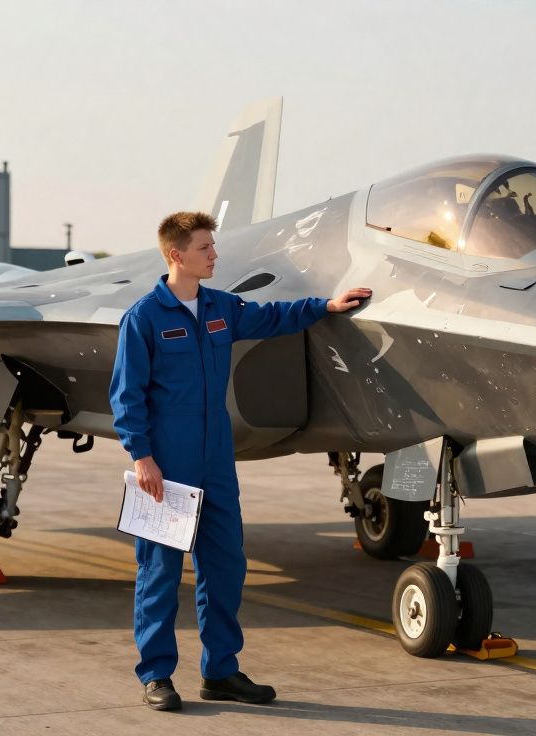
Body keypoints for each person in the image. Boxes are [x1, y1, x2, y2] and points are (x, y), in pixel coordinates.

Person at [109, 211, 371, 711]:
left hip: (216, 461)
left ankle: (221, 671)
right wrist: (142, 457)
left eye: (213, 246)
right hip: (167, 464)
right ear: (176, 255)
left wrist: (327, 306)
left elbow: (274, 317)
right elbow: (127, 395)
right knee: (160, 572)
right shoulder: (144, 317)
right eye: (205, 248)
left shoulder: (220, 308)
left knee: (226, 567)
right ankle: (157, 675)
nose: (215, 255)